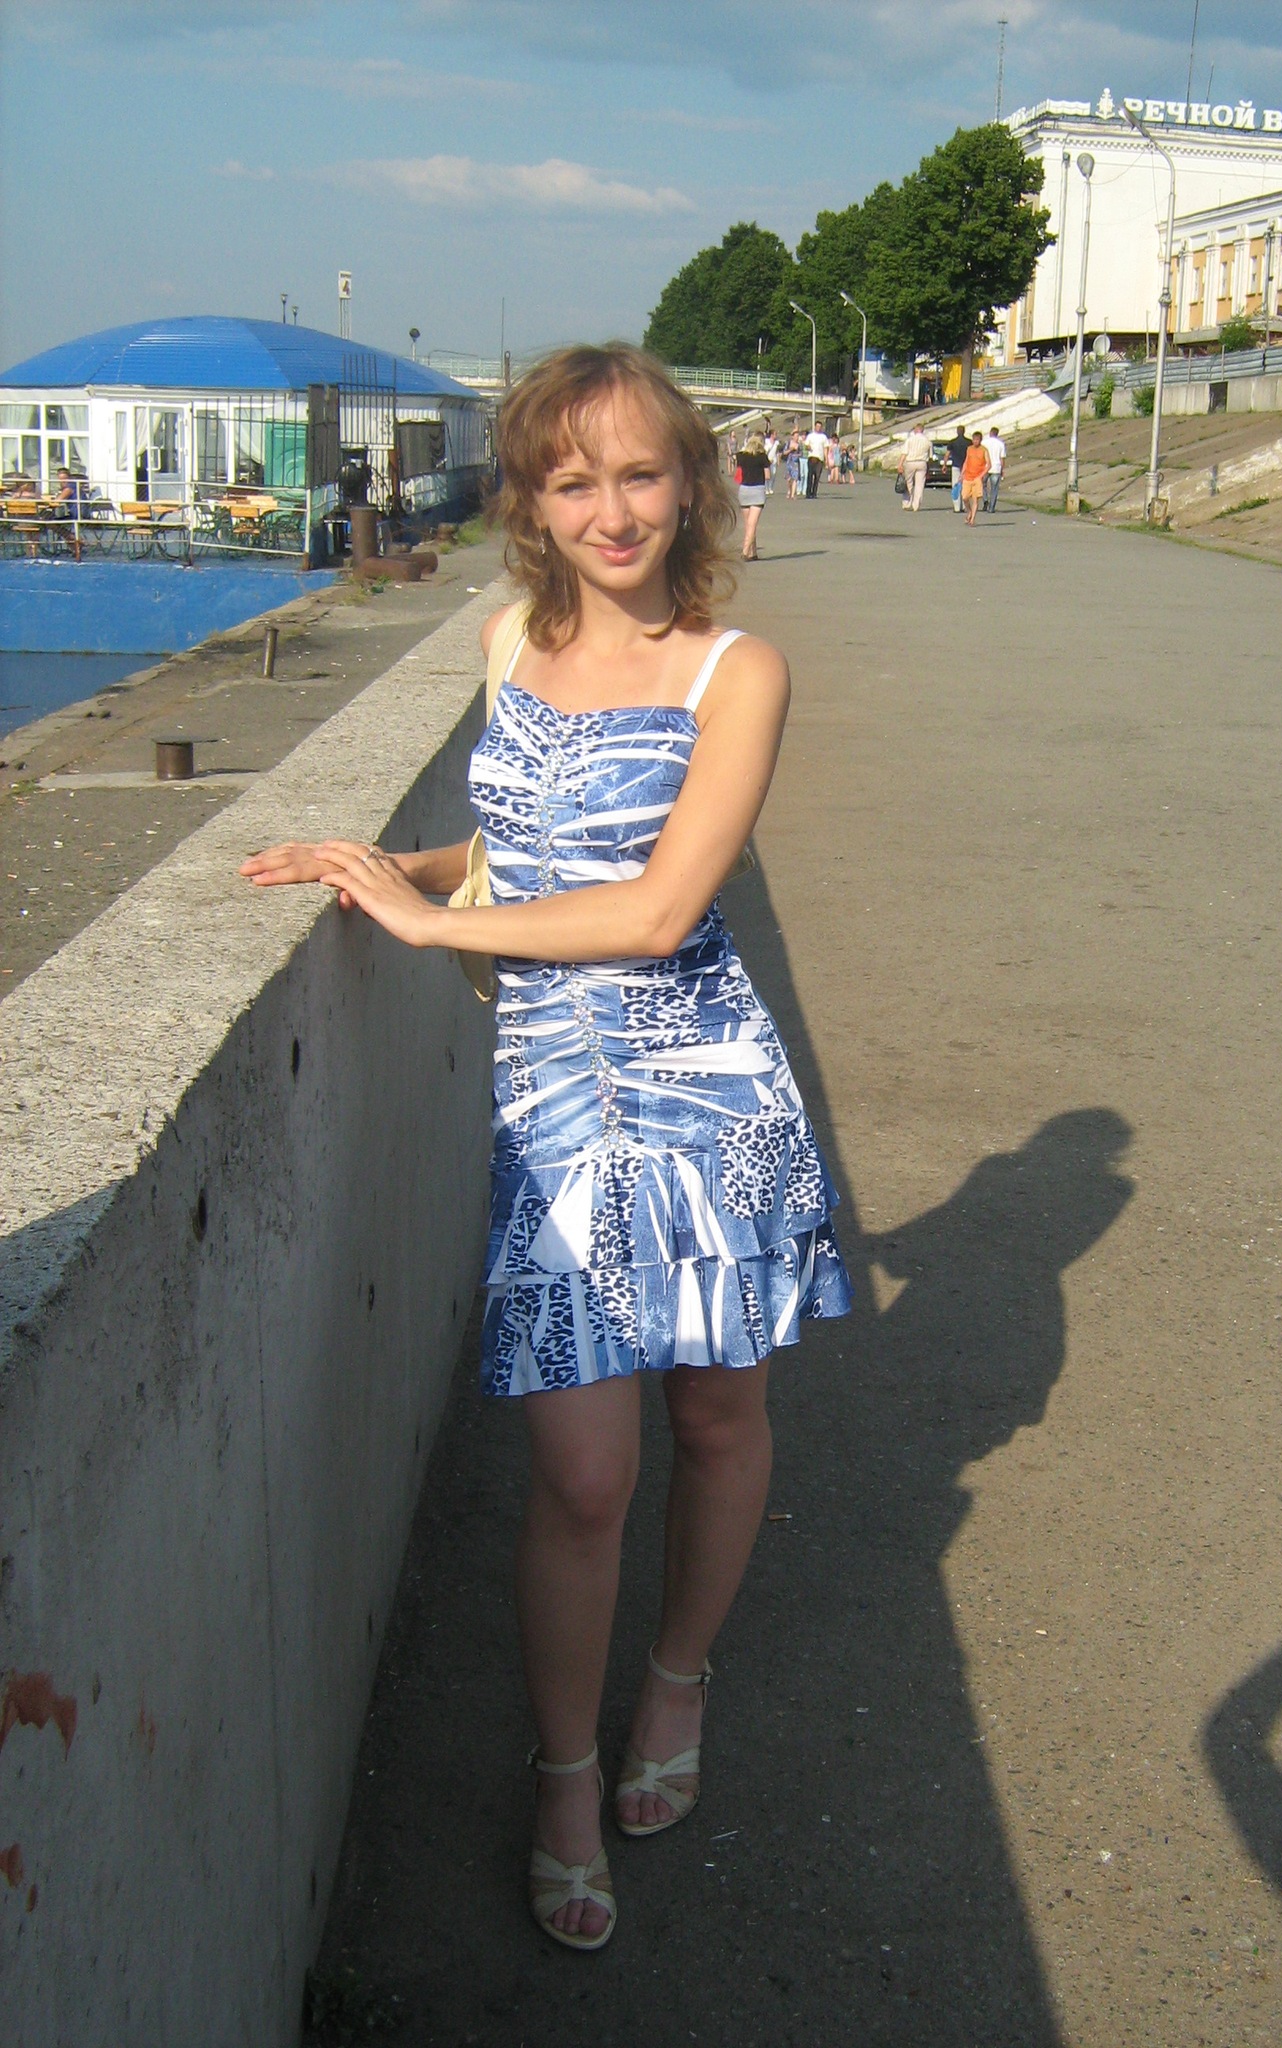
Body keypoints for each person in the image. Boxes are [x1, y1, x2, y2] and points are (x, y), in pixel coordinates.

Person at [240, 344, 852, 1955]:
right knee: (585, 1476)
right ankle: (565, 1772)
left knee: (717, 1418)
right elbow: (529, 843)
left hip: (705, 1090)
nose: (612, 511)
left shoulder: (736, 673)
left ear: (694, 483)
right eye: (573, 481)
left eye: (641, 472)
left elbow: (656, 910)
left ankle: (678, 1681)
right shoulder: (510, 639)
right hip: (558, 1107)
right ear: (531, 501)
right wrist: (404, 865)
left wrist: (434, 929)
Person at [736, 430, 769, 559]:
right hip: (757, 490)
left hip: (744, 490)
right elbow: (767, 475)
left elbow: (738, 472)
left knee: (748, 524)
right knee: (752, 524)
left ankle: (753, 552)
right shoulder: (762, 456)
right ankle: (745, 552)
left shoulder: (741, 456)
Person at [899, 424, 932, 510]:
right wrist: (928, 469)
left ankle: (907, 503)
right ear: (922, 430)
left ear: (915, 430)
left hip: (910, 462)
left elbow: (904, 453)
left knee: (908, 483)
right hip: (922, 463)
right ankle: (916, 505)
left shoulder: (910, 440)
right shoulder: (928, 441)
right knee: (919, 485)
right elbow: (930, 457)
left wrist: (900, 464)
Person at [960, 430, 988, 525]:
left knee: (975, 499)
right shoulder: (969, 449)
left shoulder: (984, 450)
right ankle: (969, 511)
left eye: (977, 439)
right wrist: (962, 473)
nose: (975, 441)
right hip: (968, 477)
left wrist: (981, 476)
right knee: (965, 497)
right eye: (974, 439)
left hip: (977, 478)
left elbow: (989, 465)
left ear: (980, 440)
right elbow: (966, 462)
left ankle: (972, 519)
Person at [982, 427, 1006, 513]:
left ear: (990, 433)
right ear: (997, 434)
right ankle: (991, 508)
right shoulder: (1001, 444)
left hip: (985, 467)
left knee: (982, 484)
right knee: (994, 488)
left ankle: (985, 499)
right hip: (996, 467)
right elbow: (1002, 458)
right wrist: (1002, 469)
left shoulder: (984, 442)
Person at [801, 421, 828, 498]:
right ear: (815, 427)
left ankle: (814, 493)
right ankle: (808, 492)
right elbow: (806, 445)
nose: (818, 428)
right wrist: (808, 447)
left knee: (817, 476)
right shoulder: (810, 436)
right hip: (812, 457)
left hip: (820, 458)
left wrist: (826, 459)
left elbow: (825, 448)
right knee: (810, 475)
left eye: (820, 427)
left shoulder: (823, 437)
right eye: (817, 426)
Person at [947, 423, 969, 513]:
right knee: (964, 486)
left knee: (955, 486)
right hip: (966, 466)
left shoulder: (952, 442)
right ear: (964, 432)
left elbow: (947, 454)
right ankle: (964, 506)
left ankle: (956, 507)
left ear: (957, 432)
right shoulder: (969, 442)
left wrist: (944, 464)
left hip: (955, 465)